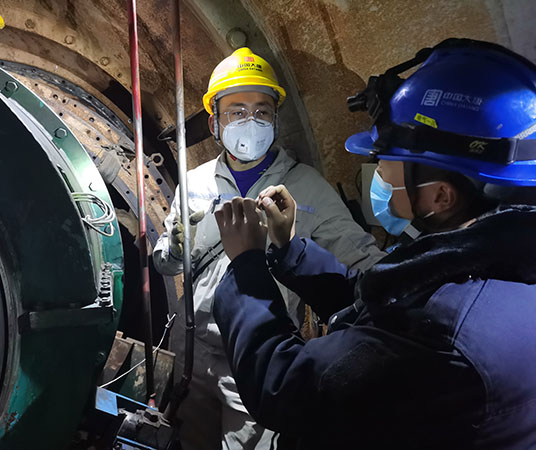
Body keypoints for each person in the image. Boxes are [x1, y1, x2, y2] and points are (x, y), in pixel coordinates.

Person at [212, 38, 536, 449]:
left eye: (388, 158)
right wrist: (290, 248)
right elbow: (378, 299)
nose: (378, 169)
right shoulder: (490, 266)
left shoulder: (441, 334)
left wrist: (246, 266)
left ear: (441, 195)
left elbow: (284, 386)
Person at [153, 47, 384, 449]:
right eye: (237, 111)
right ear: (215, 122)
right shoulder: (195, 182)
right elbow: (165, 264)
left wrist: (408, 289)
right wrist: (173, 248)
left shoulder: (306, 187)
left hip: (254, 354)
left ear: (275, 119)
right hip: (191, 350)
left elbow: (362, 258)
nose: (251, 121)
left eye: (262, 111)